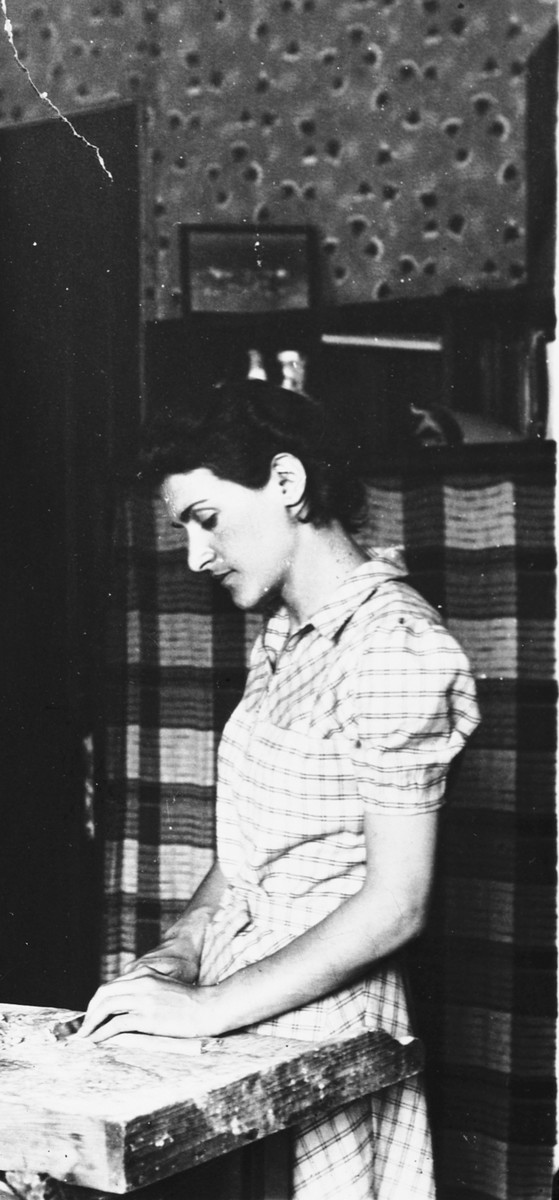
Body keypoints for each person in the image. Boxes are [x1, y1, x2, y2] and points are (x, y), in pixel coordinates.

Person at [75, 380, 480, 1200]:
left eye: (206, 519)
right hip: (237, 1017)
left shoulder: (395, 650)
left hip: (326, 1032)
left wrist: (207, 1009)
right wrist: (176, 954)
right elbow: (250, 851)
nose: (195, 555)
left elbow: (396, 903)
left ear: (287, 484)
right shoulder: (286, 638)